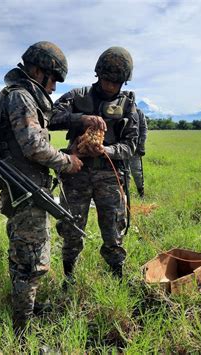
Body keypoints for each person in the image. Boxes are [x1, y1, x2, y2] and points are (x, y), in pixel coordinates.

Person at [0, 41, 83, 333]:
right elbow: (33, 146)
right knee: (31, 260)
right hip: (25, 189)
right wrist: (66, 161)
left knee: (23, 253)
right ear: (36, 70)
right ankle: (23, 327)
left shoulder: (19, 94)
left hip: (24, 185)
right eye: (53, 78)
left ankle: (26, 308)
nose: (55, 87)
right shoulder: (21, 97)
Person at [50, 46, 138, 282]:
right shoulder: (78, 96)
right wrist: (81, 119)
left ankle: (117, 278)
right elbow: (49, 117)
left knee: (113, 231)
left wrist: (106, 149)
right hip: (76, 172)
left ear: (123, 82)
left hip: (110, 175)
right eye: (107, 79)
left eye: (116, 81)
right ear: (98, 74)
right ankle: (68, 279)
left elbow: (130, 146)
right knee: (71, 228)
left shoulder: (128, 106)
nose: (110, 85)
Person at [128, 108, 148, 198]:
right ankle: (124, 195)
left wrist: (141, 145)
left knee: (137, 172)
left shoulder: (139, 112)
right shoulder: (119, 110)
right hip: (121, 148)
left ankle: (141, 193)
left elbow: (143, 130)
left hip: (135, 148)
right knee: (123, 173)